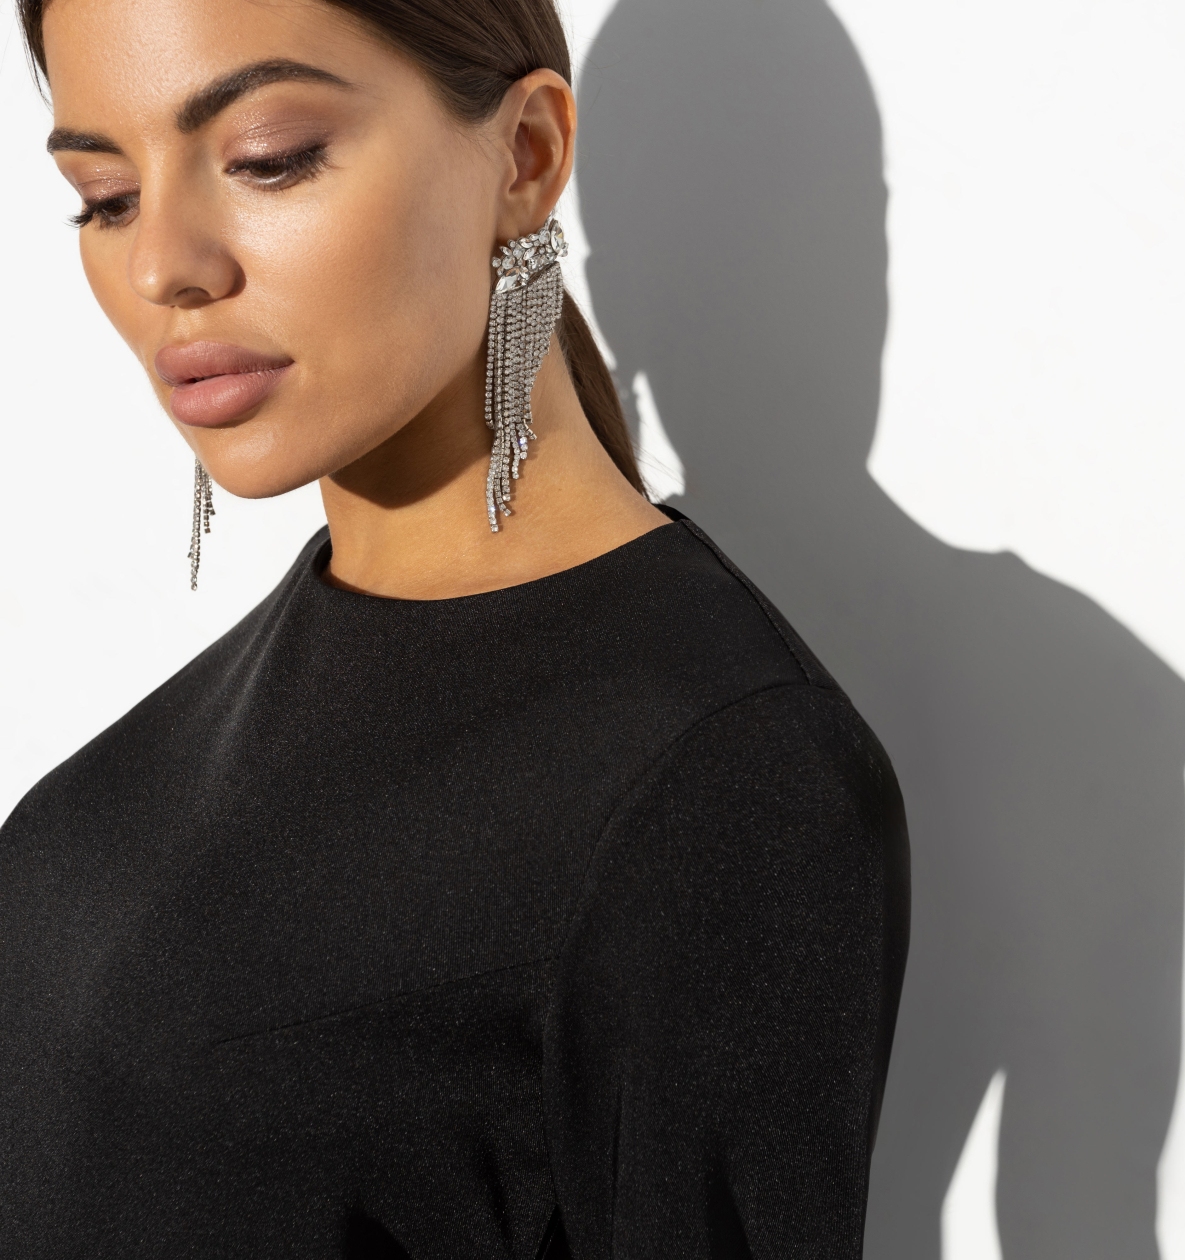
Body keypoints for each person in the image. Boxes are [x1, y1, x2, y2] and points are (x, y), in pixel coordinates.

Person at [0, 0, 909, 1254]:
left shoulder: (719, 772)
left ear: (524, 156)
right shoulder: (265, 683)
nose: (164, 265)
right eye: (105, 196)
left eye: (267, 158)